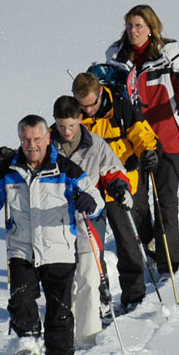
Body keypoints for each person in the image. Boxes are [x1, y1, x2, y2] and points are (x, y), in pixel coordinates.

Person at [0, 115, 103, 355]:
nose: (31, 145)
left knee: (59, 311)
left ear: (47, 139)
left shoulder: (66, 170)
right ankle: (30, 344)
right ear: (20, 140)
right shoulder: (7, 171)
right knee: (21, 300)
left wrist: (89, 204)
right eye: (25, 140)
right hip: (21, 250)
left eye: (36, 139)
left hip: (58, 250)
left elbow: (94, 197)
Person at [102, 4, 179, 276]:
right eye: (129, 25)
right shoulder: (115, 55)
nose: (133, 31)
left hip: (167, 135)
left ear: (151, 28)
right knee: (137, 200)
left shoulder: (169, 51)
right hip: (132, 139)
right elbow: (107, 93)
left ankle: (168, 262)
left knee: (166, 199)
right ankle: (149, 242)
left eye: (139, 26)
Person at [71, 70, 160, 313]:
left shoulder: (120, 106)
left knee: (128, 243)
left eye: (91, 105)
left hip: (124, 184)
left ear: (101, 93)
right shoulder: (73, 114)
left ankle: (134, 295)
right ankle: (101, 301)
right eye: (82, 106)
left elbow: (142, 133)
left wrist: (149, 152)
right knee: (91, 249)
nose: (88, 111)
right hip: (92, 193)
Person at [49, 95, 130, 345]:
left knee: (88, 277)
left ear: (81, 119)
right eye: (61, 126)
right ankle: (65, 338)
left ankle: (87, 337)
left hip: (88, 217)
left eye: (71, 125)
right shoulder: (45, 143)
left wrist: (118, 187)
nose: (66, 132)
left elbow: (114, 170)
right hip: (55, 220)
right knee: (64, 281)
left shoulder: (94, 144)